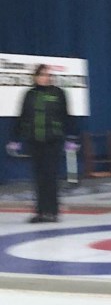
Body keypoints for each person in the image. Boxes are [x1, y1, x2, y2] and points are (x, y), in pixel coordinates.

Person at [10, 64, 72, 223]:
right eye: (43, 74)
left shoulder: (58, 93)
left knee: (50, 176)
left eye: (48, 75)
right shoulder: (30, 94)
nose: (46, 77)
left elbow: (66, 117)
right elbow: (22, 116)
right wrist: (15, 139)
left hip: (53, 141)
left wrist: (71, 138)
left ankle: (52, 211)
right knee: (38, 178)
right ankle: (40, 212)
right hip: (34, 141)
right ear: (36, 77)